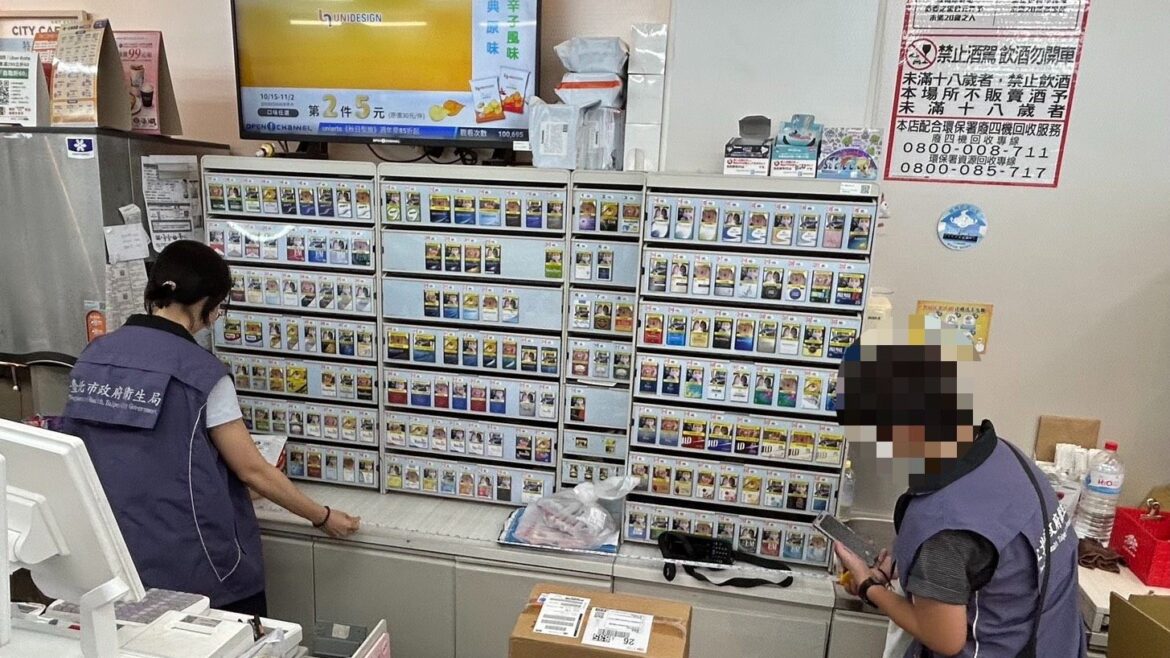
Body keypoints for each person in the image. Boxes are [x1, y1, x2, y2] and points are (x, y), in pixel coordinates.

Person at [56, 241, 361, 616]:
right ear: (204, 303)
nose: (216, 316)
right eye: (219, 306)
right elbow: (252, 470)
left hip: (111, 557)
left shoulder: (94, 357)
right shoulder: (201, 373)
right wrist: (323, 516)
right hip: (195, 563)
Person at [832, 335, 1084, 658]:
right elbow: (986, 545)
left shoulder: (941, 528)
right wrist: (907, 562)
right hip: (1055, 641)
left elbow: (944, 639)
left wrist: (870, 586)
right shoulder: (1002, 455)